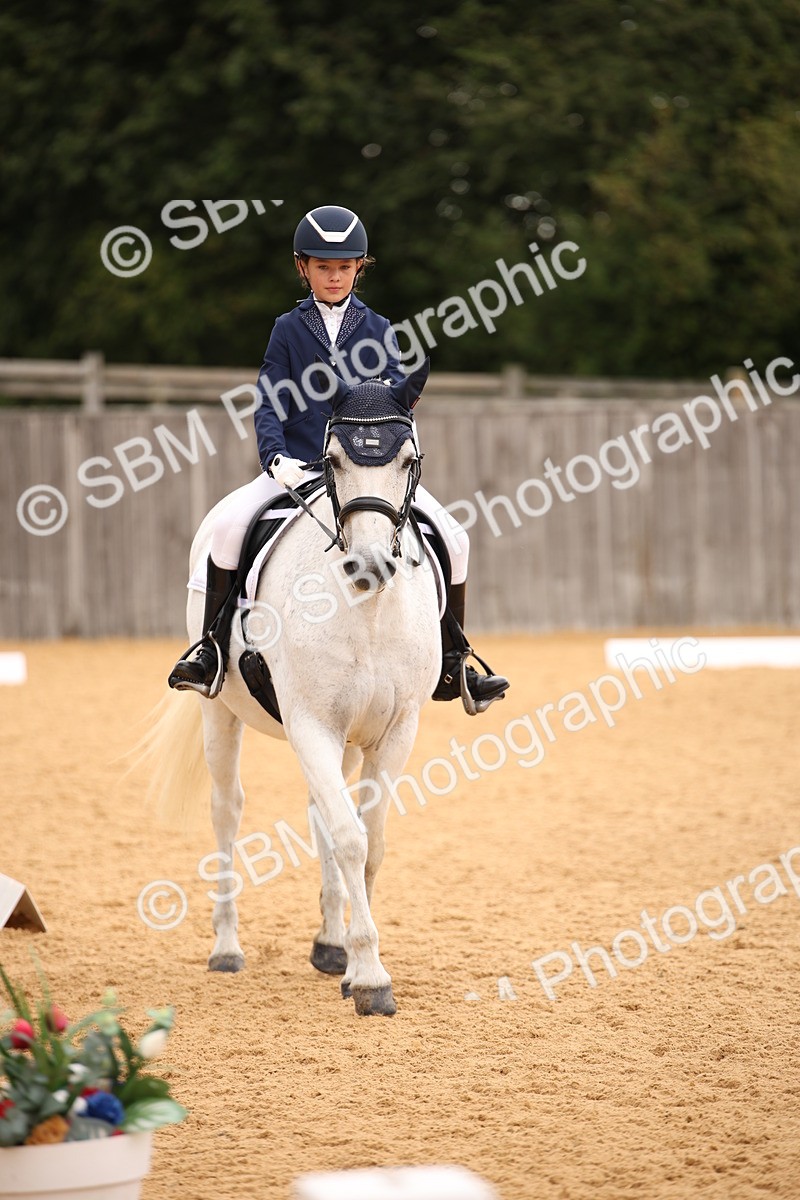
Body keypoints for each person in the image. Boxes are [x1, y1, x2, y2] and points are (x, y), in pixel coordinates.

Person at [168, 205, 508, 711]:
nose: (334, 276)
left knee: (454, 538)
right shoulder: (288, 328)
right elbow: (269, 399)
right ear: (303, 267)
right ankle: (211, 651)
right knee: (228, 529)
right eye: (323, 266)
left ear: (359, 269)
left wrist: (390, 456)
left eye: (344, 267)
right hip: (300, 468)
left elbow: (396, 399)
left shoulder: (378, 326)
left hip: (363, 471)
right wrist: (275, 457)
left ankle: (454, 659)